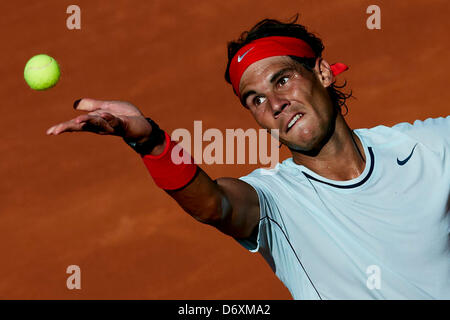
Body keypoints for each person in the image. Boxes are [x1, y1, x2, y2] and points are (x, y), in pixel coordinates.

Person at [46, 17, 450, 299]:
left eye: (283, 79)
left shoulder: (426, 149)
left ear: (323, 74)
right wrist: (151, 141)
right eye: (255, 99)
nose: (274, 103)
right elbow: (213, 205)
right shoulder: (276, 202)